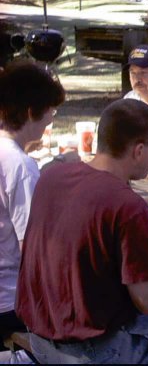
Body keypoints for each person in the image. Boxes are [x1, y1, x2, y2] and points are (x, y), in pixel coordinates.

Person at [15, 99, 148, 364]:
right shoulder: (127, 207)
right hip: (94, 350)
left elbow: (90, 207)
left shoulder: (53, 176)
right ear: (139, 150)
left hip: (40, 335)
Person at [0, 61, 65, 360]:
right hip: (10, 301)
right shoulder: (19, 165)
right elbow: (35, 252)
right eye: (49, 114)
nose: (49, 122)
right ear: (30, 112)